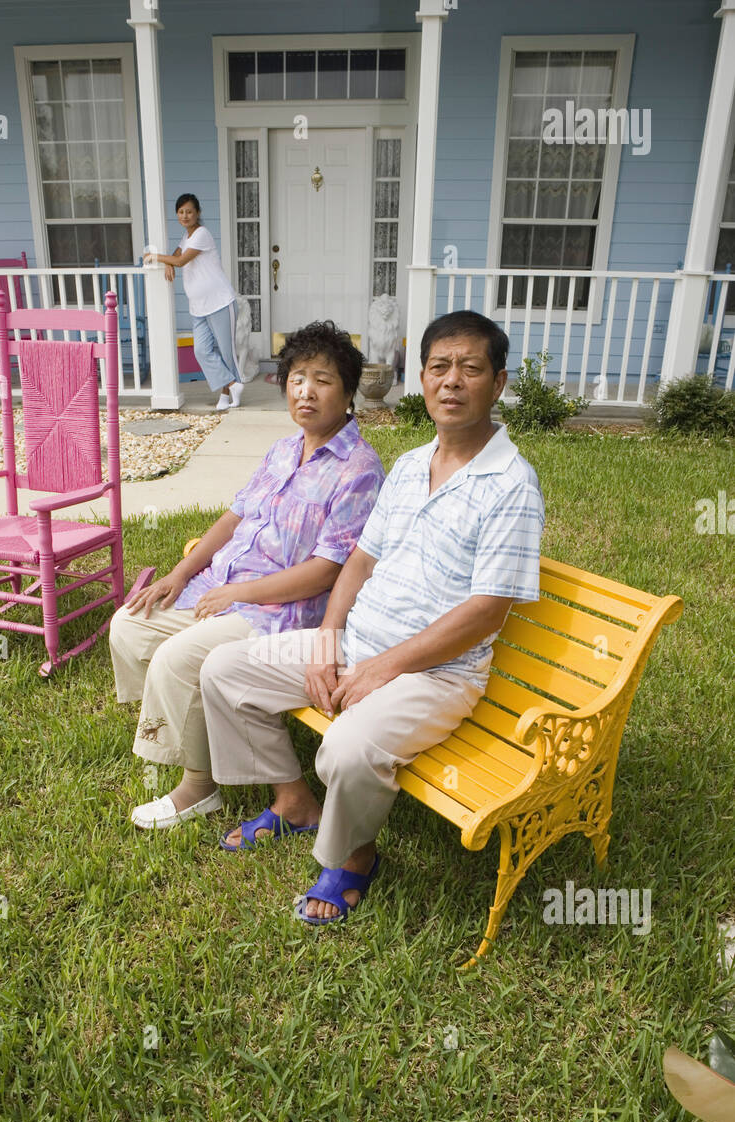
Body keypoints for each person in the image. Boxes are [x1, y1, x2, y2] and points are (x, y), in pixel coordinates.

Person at [200, 310, 545, 923]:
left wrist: (381, 669)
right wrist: (330, 639)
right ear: (422, 377)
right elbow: (359, 560)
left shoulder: (511, 485)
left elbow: (487, 612)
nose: (452, 381)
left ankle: (354, 857)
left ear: (497, 383)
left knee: (347, 750)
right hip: (358, 643)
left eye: (471, 368)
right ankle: (290, 802)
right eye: (440, 366)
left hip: (437, 675)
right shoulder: (412, 465)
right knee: (225, 670)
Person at [109, 320, 385, 830]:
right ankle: (174, 723)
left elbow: (325, 573)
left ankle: (198, 786)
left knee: (176, 656)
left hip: (280, 612)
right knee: (129, 622)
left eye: (323, 379)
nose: (306, 390)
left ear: (348, 393)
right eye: (297, 377)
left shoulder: (359, 470)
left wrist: (237, 592)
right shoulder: (282, 450)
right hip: (221, 588)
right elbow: (235, 516)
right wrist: (178, 574)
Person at [144, 194, 247, 411]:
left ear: (197, 213)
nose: (185, 215)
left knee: (226, 352)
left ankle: (227, 396)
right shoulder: (187, 237)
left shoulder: (202, 234)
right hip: (199, 307)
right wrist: (168, 263)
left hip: (220, 302)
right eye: (181, 212)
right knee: (201, 350)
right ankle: (232, 383)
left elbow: (180, 260)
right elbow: (176, 255)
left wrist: (157, 258)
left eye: (189, 211)